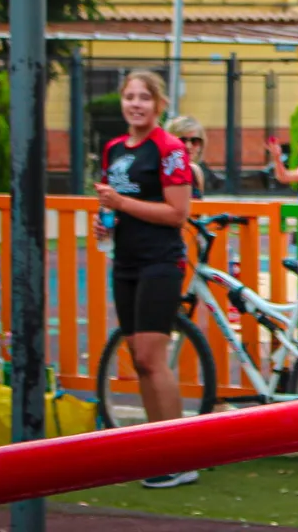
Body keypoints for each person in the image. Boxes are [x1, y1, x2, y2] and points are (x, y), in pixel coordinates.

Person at [93, 70, 196, 489]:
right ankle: (157, 451)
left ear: (159, 104)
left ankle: (180, 457)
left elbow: (178, 213)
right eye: (130, 97)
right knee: (138, 359)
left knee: (153, 358)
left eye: (144, 98)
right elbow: (114, 204)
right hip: (126, 261)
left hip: (160, 262)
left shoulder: (169, 149)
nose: (136, 104)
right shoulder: (115, 148)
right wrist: (106, 221)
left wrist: (121, 203)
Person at [165, 116, 207, 198]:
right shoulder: (162, 172)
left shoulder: (195, 171)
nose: (188, 146)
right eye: (182, 140)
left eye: (195, 141)